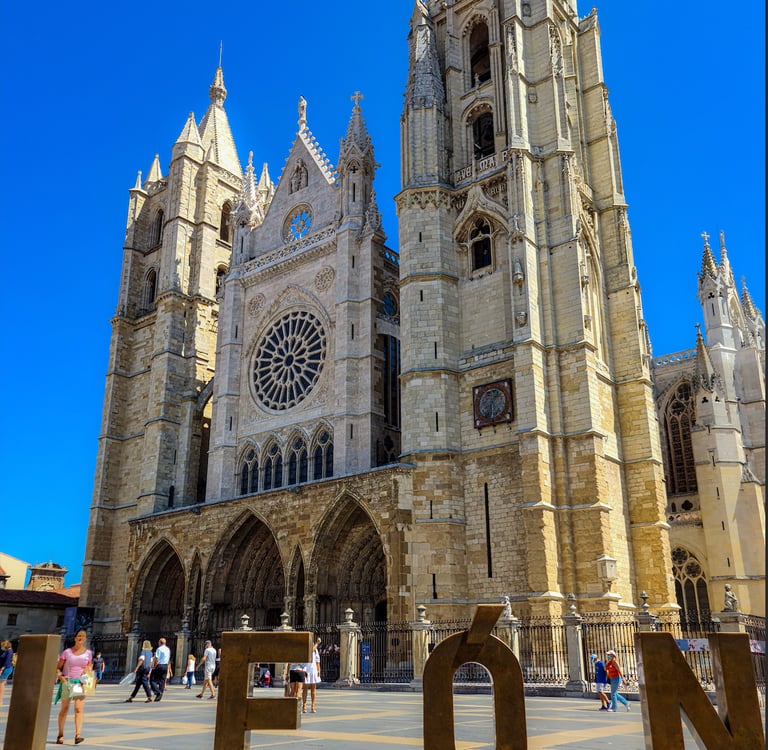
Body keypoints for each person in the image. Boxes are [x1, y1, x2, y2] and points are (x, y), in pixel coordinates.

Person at [55, 628, 93, 745]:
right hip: (68, 682)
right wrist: (61, 677)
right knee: (64, 709)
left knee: (78, 709)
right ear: (75, 638)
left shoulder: (88, 653)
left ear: (86, 639)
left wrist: (87, 671)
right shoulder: (67, 652)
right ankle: (60, 734)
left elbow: (89, 666)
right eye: (79, 636)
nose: (81, 638)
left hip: (79, 683)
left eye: (83, 636)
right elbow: (58, 668)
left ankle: (78, 735)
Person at [302, 636, 322, 713]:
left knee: (313, 688)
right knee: (305, 688)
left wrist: (319, 670)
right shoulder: (306, 649)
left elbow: (317, 661)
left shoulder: (315, 650)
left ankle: (313, 706)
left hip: (313, 669)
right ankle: (304, 705)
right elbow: (310, 651)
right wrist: (317, 643)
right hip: (306, 669)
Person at [151, 637, 172, 701]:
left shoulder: (159, 649)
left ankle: (157, 692)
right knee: (162, 681)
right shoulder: (168, 649)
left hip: (159, 665)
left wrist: (154, 666)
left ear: (160, 643)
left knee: (152, 680)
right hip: (165, 665)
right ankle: (160, 695)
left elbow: (157, 659)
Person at [0, 640, 13, 707]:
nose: (1, 646)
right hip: (5, 668)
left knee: (1, 684)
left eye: (2, 645)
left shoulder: (9, 651)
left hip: (5, 669)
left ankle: (0, 701)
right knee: (1, 684)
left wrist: (2, 669)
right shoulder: (7, 651)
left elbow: (7, 661)